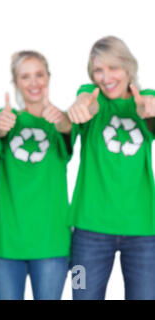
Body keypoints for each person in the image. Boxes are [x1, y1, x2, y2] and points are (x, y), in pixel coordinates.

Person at [67, 36, 155, 300]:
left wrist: (149, 113)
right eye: (98, 70)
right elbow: (86, 101)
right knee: (80, 292)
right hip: (87, 231)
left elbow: (153, 121)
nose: (105, 77)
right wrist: (82, 106)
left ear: (129, 68)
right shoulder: (91, 95)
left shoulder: (147, 99)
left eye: (113, 67)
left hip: (144, 232)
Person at [0, 51, 72, 300]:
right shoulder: (3, 119)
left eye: (39, 75)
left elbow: (68, 136)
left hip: (51, 242)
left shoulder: (63, 120)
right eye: (25, 77)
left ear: (49, 77)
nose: (34, 83)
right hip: (6, 242)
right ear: (15, 83)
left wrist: (63, 122)